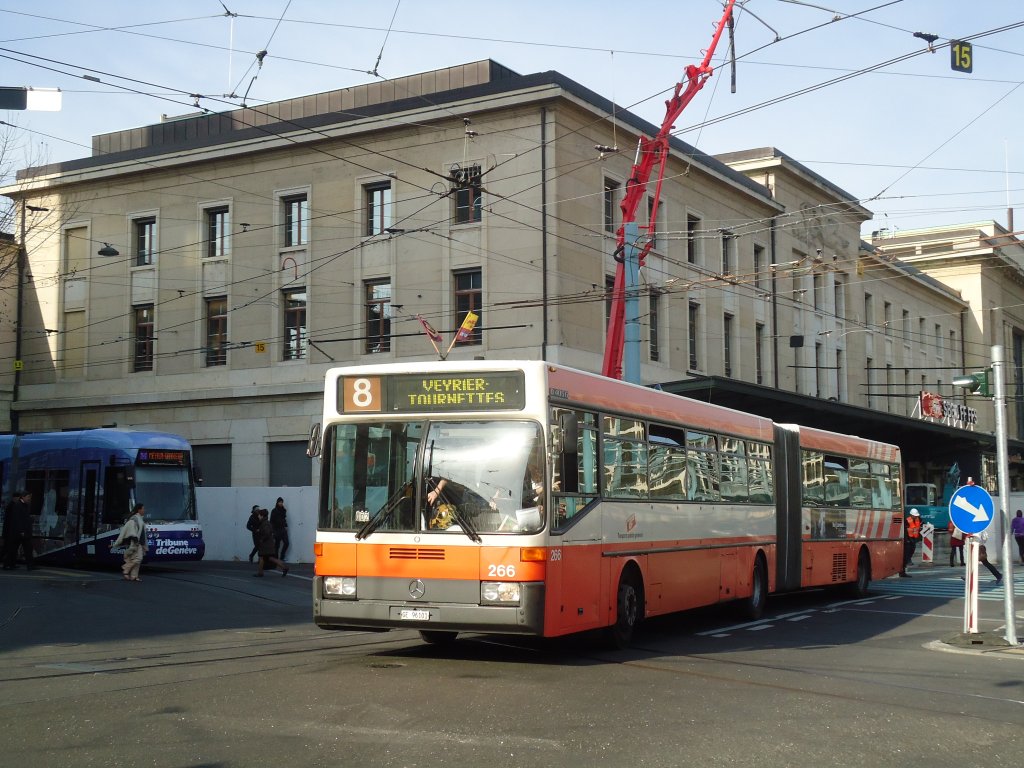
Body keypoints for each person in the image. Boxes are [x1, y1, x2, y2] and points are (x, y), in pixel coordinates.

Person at [112, 503, 147, 582]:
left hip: (139, 543)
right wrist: (135, 539)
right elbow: (131, 530)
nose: (144, 510)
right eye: (143, 509)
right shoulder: (134, 519)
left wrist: (143, 544)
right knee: (139, 558)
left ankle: (134, 576)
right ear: (139, 509)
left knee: (137, 559)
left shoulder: (139, 518)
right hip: (135, 542)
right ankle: (126, 568)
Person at [2, 490, 34, 571]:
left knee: (26, 549)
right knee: (13, 549)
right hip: (19, 532)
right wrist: (21, 531)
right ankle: (8, 564)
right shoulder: (17, 505)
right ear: (23, 497)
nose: (29, 499)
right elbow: (17, 519)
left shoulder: (25, 505)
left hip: (23, 532)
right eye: (28, 497)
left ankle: (29, 566)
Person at [253, 508, 289, 577]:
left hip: (265, 545)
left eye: (259, 515)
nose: (258, 516)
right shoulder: (266, 522)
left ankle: (260, 573)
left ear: (262, 516)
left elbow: (267, 533)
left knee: (262, 557)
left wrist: (261, 539)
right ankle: (284, 567)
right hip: (269, 544)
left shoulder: (264, 523)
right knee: (269, 558)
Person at [899, 508, 921, 577]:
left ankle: (907, 563)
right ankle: (903, 569)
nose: (916, 517)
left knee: (912, 551)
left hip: (913, 539)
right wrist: (907, 540)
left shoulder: (918, 519)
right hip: (908, 540)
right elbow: (905, 531)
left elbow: (918, 528)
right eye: (915, 515)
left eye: (916, 515)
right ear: (911, 515)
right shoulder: (907, 520)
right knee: (906, 554)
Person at [270, 497, 290, 561]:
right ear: (277, 502)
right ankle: (276, 559)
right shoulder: (274, 511)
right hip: (276, 530)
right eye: (280, 502)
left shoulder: (283, 510)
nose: (281, 503)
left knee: (286, 543)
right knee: (277, 545)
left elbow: (284, 519)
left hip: (283, 529)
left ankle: (282, 557)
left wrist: (286, 526)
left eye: (282, 502)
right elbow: (271, 521)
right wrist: (273, 531)